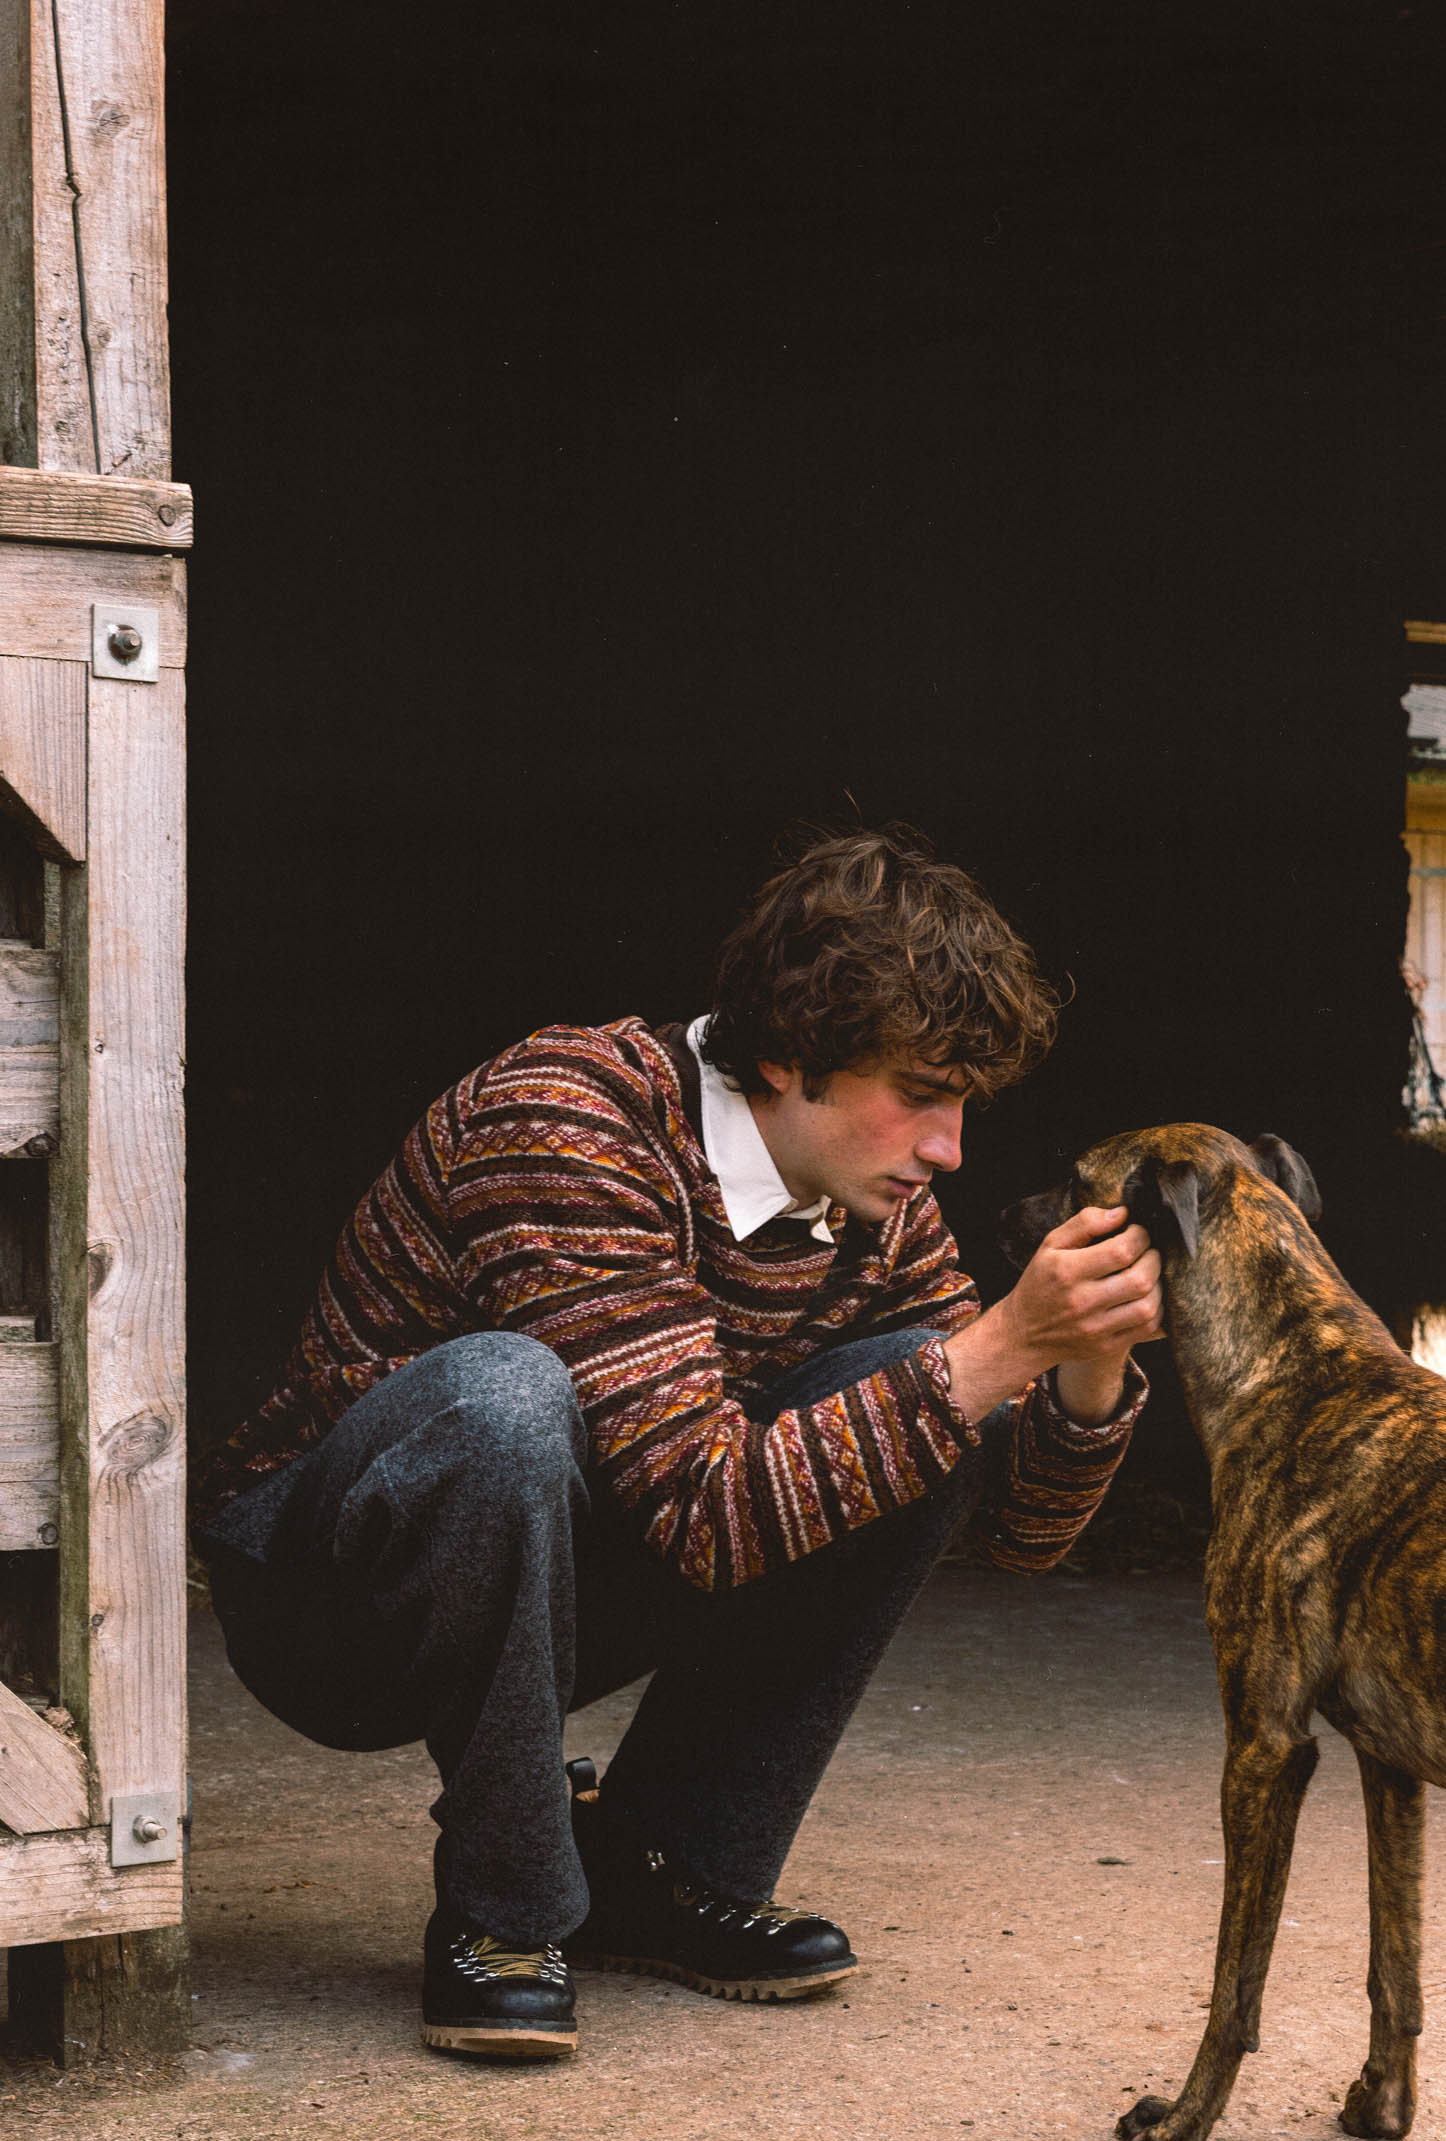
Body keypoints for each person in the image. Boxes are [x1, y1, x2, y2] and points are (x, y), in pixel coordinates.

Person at [193, 831, 1161, 2061]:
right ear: (784, 1054)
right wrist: (995, 1348)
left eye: (963, 1102)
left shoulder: (879, 1213)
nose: (948, 1148)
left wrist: (1084, 1360)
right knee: (508, 1398)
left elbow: (1025, 1537)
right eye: (919, 1093)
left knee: (911, 1395)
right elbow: (703, 1508)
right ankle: (505, 1909)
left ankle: (663, 1861)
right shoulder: (570, 1114)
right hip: (336, 1610)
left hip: (582, 1573)